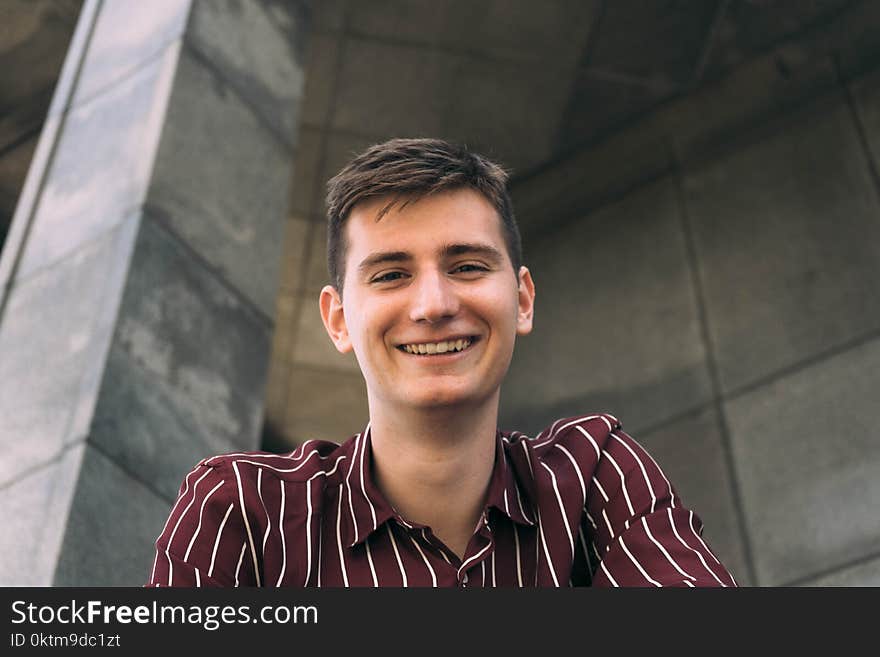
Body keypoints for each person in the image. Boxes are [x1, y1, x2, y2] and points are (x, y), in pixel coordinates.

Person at [147, 138, 737, 587]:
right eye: (391, 275)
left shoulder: (593, 476)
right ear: (337, 320)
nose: (434, 305)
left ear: (523, 299)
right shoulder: (244, 511)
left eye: (468, 266)